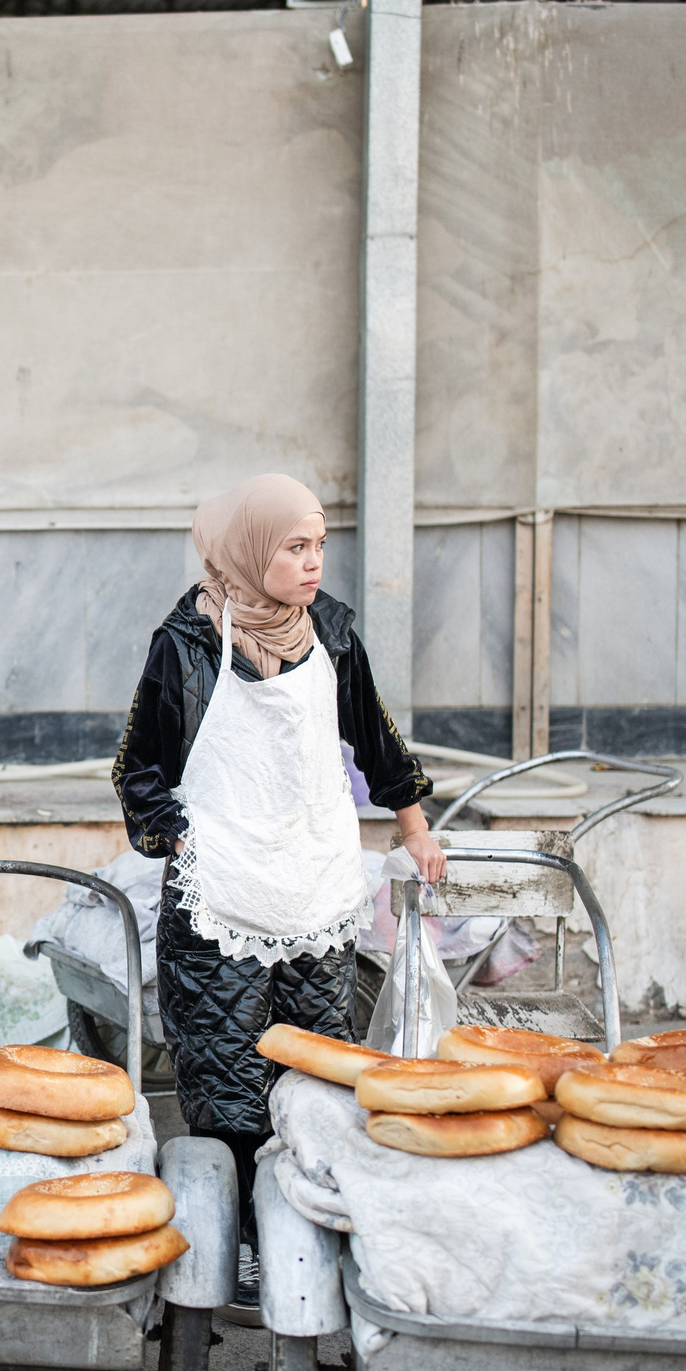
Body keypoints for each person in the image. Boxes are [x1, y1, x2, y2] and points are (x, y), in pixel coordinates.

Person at [111, 473, 445, 1305]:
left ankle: (310, 1226)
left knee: (316, 1067)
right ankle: (238, 1247)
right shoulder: (186, 641)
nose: (313, 563)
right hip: (222, 890)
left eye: (320, 545)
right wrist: (176, 832)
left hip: (316, 883)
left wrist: (413, 827)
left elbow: (375, 732)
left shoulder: (330, 631)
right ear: (250, 549)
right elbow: (137, 762)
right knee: (225, 1074)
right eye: (295, 547)